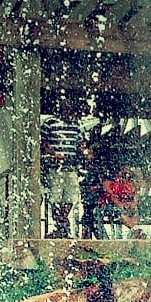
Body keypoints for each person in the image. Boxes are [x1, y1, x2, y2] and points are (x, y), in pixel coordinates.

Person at [41, 100, 83, 238]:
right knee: (55, 196)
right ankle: (61, 225)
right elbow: (43, 142)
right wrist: (53, 154)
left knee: (71, 196)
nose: (68, 112)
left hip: (71, 167)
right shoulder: (50, 123)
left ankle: (62, 222)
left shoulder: (76, 125)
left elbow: (80, 144)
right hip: (55, 167)